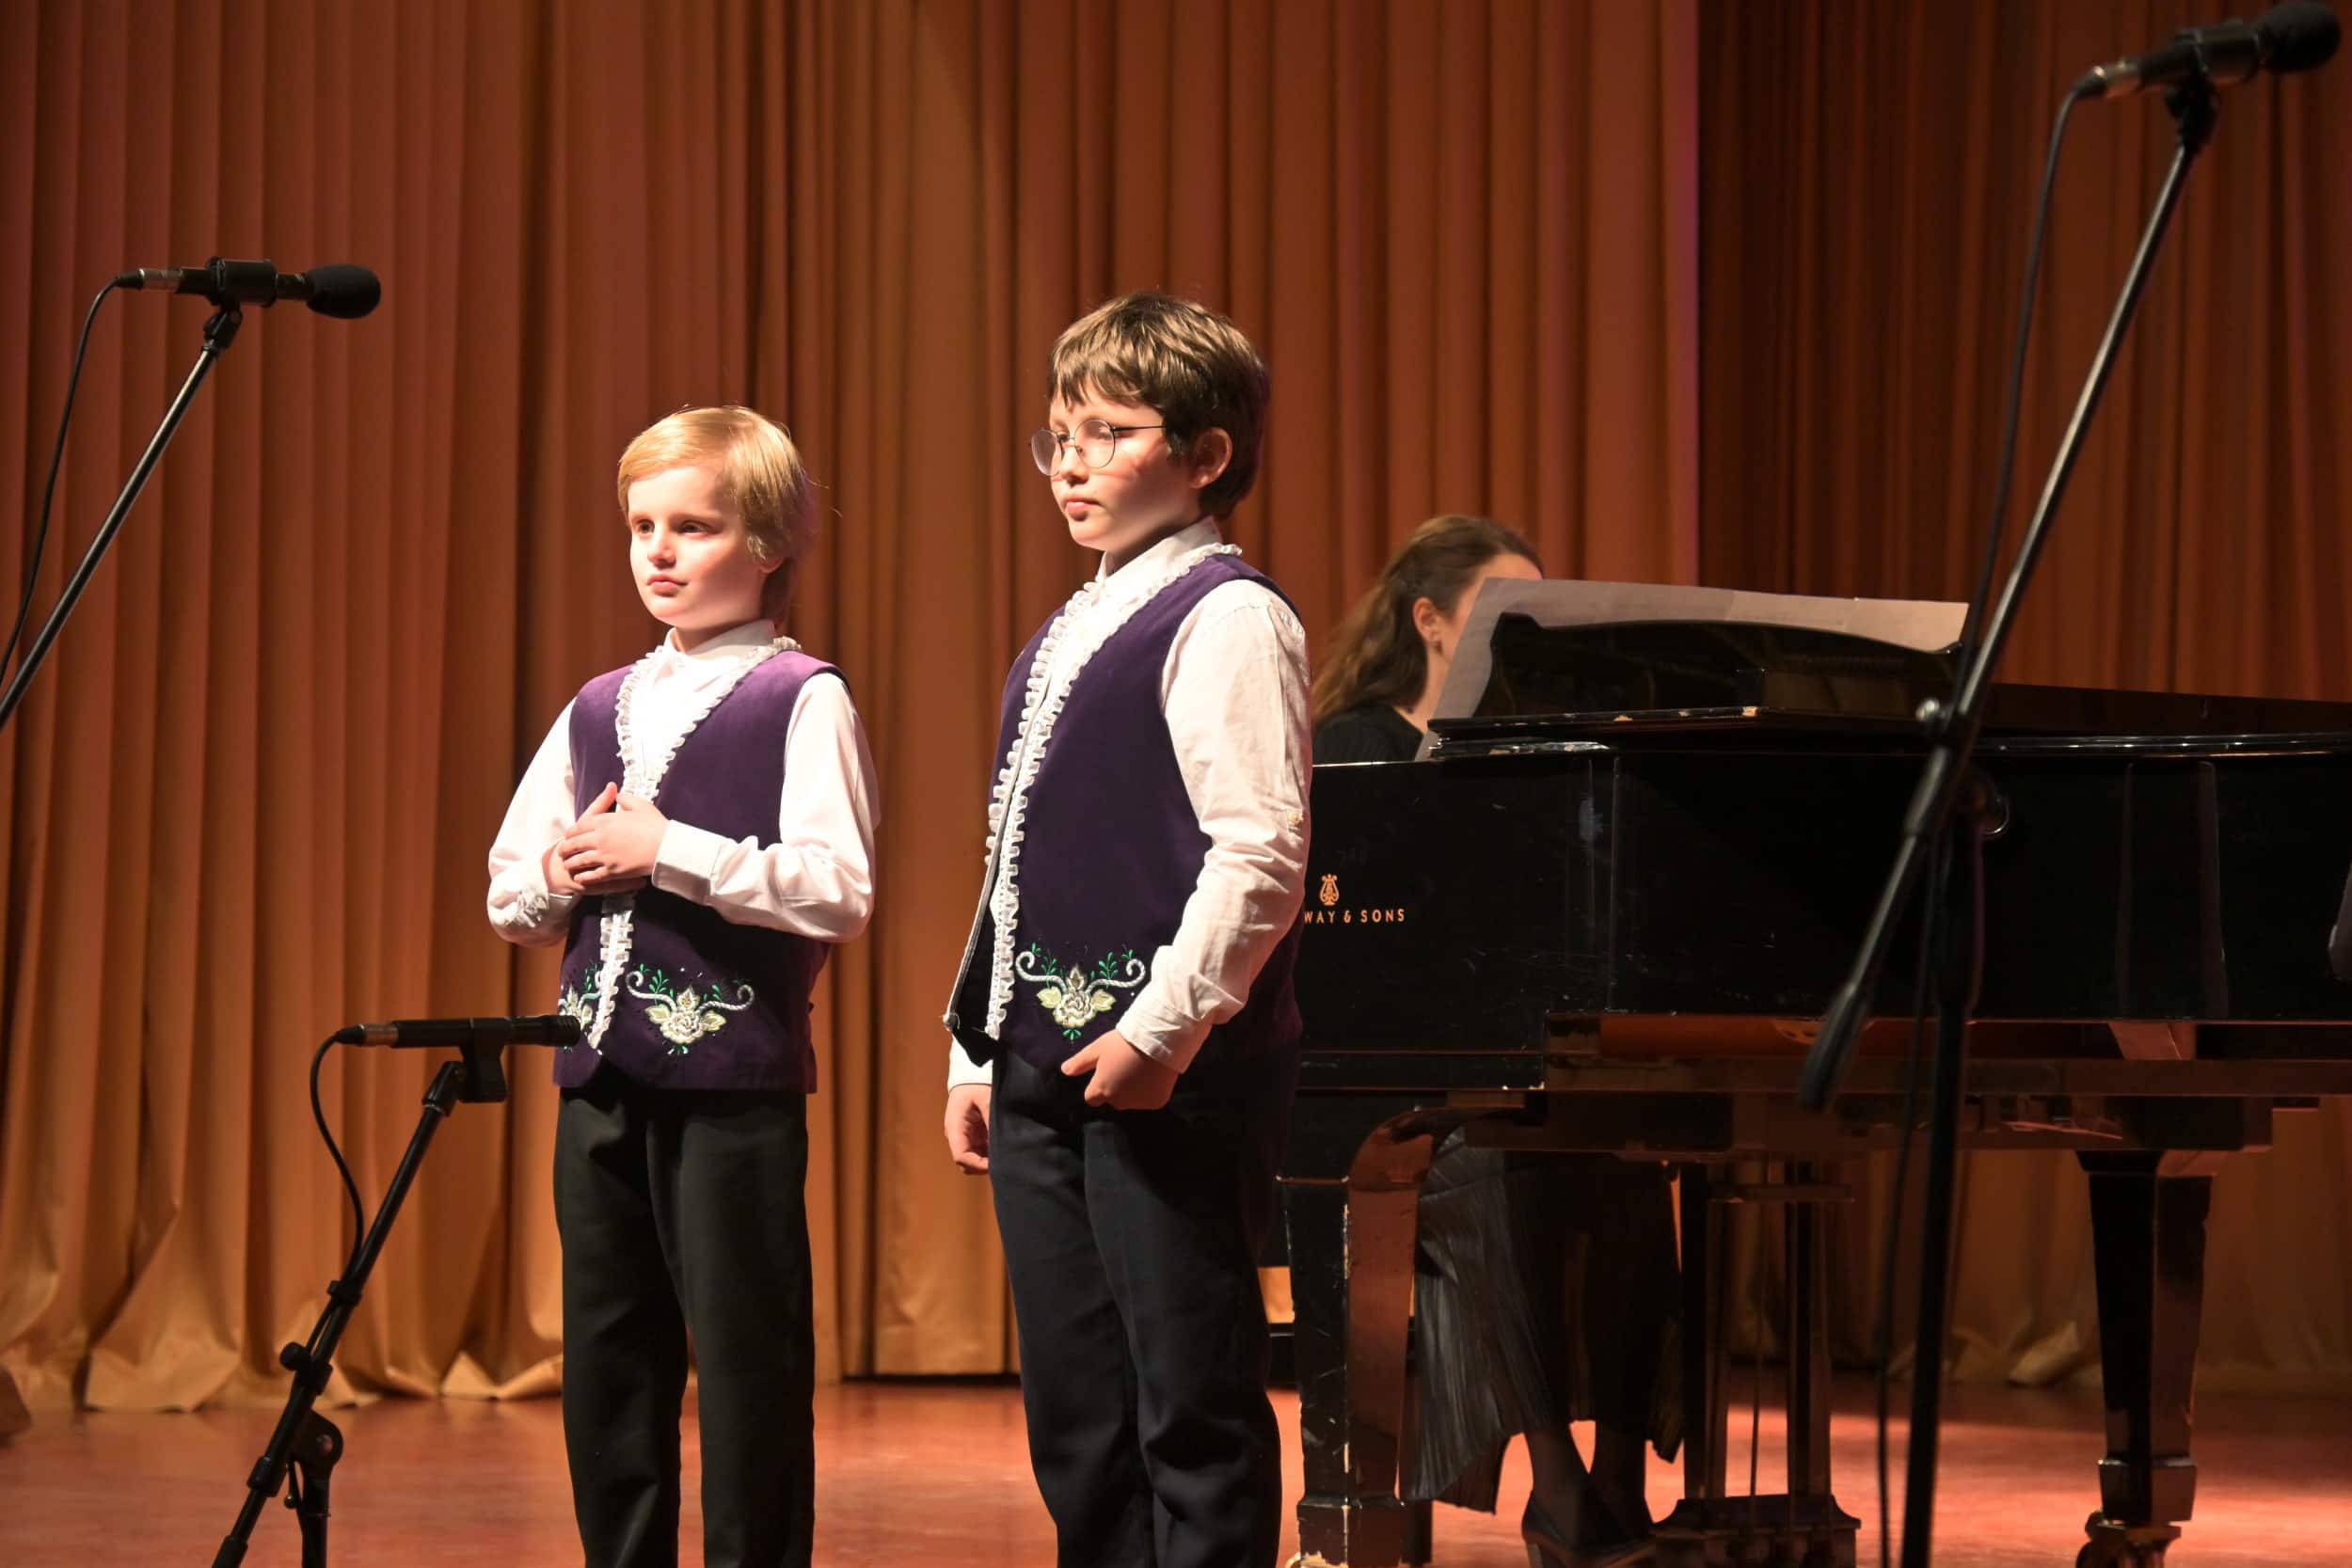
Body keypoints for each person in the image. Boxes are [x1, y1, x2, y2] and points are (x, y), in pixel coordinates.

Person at [939, 292, 1311, 1568]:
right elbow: (1014, 858)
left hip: (1168, 1069)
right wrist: (976, 1045)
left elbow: (1259, 853)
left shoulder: (1227, 614)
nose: (1072, 463)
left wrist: (1163, 1029)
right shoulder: (1070, 625)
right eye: (1059, 436)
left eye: (1107, 433)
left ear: (1205, 455)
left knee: (1189, 1402)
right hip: (1041, 1060)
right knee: (1080, 1416)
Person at [485, 405, 879, 1568]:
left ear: (768, 542)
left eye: (694, 527)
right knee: (610, 1362)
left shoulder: (801, 695)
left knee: (748, 1364)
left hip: (731, 1082)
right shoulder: (597, 703)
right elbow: (512, 885)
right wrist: (558, 871)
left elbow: (839, 888)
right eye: (642, 526)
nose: (658, 551)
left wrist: (671, 850)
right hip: (598, 1075)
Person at [1311, 515, 1680, 1568]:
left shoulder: (1535, 750)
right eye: (1501, 607)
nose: (1528, 628)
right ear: (1429, 620)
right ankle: (1558, 1489)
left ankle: (1619, 1479)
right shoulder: (1354, 747)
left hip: (1519, 1073)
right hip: (1394, 1092)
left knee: (1628, 1165)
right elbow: (1352, 960)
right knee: (1494, 1170)